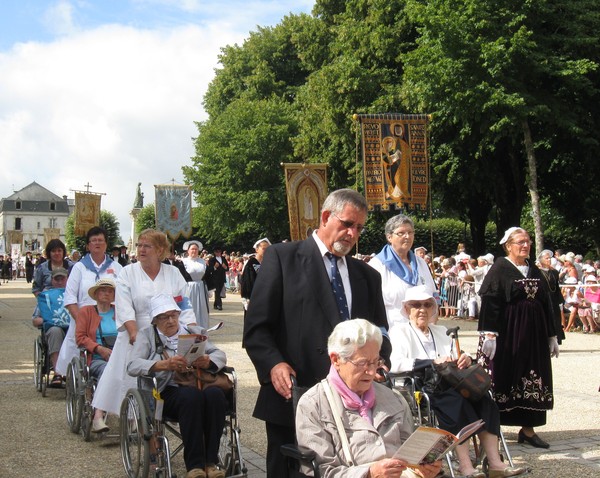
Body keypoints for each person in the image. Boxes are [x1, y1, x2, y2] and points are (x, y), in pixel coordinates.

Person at [243, 188, 390, 478]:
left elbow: (379, 334)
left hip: (354, 405)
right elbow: (257, 327)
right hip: (295, 394)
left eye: (358, 227)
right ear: (325, 216)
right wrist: (273, 363)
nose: (352, 233)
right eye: (347, 224)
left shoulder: (367, 276)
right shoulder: (282, 258)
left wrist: (381, 361)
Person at [390, 286, 527, 478]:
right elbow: (394, 364)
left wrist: (465, 358)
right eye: (416, 305)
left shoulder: (440, 330)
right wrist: (430, 362)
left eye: (427, 305)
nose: (422, 309)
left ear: (433, 309)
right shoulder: (399, 332)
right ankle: (465, 465)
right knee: (457, 403)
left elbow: (457, 355)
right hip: (424, 385)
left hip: (452, 381)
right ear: (406, 309)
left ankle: (495, 463)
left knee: (485, 400)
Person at [297, 319, 442, 478]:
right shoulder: (313, 405)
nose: (372, 372)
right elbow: (322, 472)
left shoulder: (394, 398)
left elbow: (411, 453)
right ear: (336, 360)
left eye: (375, 362)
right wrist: (369, 473)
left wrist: (424, 468)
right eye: (363, 363)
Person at [92, 229, 197, 416]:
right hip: (137, 330)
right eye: (139, 245)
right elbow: (124, 306)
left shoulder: (173, 273)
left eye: (147, 246)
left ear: (160, 250)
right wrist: (134, 333)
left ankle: (157, 417)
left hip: (169, 331)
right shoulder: (127, 272)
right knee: (127, 375)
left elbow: (184, 305)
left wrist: (191, 333)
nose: (141, 249)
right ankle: (124, 418)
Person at [128, 294, 227, 478]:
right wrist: (163, 365)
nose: (171, 320)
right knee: (191, 398)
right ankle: (195, 466)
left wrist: (208, 361)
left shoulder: (193, 331)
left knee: (216, 395)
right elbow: (132, 365)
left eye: (174, 315)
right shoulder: (147, 335)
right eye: (164, 317)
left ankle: (210, 463)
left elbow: (219, 354)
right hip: (166, 390)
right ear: (155, 320)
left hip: (198, 382)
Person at [478, 227, 556, 449]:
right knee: (504, 375)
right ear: (508, 245)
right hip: (508, 334)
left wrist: (551, 334)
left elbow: (545, 303)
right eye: (520, 241)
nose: (526, 245)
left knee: (533, 374)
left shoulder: (534, 269)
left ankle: (528, 430)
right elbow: (491, 302)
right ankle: (494, 430)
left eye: (528, 241)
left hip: (534, 337)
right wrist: (489, 334)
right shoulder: (500, 269)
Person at [55, 226, 122, 376]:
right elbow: (70, 297)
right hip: (83, 319)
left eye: (100, 240)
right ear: (88, 245)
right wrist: (82, 321)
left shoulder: (117, 267)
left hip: (110, 320)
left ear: (106, 244)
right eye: (93, 240)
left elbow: (123, 295)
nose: (97, 243)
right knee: (82, 351)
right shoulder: (79, 268)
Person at [369, 214, 438, 328]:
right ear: (389, 237)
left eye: (410, 232)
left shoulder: (421, 263)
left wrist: (431, 325)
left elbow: (433, 296)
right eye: (401, 233)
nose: (407, 236)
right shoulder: (377, 265)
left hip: (422, 332)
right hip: (392, 331)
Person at [75, 278, 118, 433]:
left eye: (109, 290)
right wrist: (98, 348)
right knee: (108, 369)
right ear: (96, 294)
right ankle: (98, 415)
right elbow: (80, 337)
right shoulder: (86, 312)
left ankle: (133, 416)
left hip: (118, 356)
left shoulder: (119, 311)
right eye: (102, 290)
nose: (106, 293)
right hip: (96, 359)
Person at [32, 267, 71, 386]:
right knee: (55, 331)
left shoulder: (74, 295)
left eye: (62, 279)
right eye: (56, 279)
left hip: (71, 328)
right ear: (52, 280)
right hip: (53, 329)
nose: (59, 282)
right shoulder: (45, 296)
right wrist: (48, 318)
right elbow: (35, 320)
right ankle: (58, 372)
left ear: (67, 279)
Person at [537, 249, 566, 342]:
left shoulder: (554, 272)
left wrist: (560, 301)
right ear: (541, 259)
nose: (549, 260)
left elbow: (556, 287)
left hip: (553, 298)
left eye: (549, 258)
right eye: (546, 258)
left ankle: (557, 339)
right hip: (543, 298)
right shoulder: (537, 272)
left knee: (555, 318)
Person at [182, 240, 210, 329]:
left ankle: (202, 328)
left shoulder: (202, 262)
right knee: (190, 308)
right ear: (188, 251)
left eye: (196, 249)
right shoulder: (183, 262)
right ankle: (189, 328)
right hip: (189, 288)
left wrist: (210, 289)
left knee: (201, 309)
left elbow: (207, 275)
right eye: (192, 249)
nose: (194, 251)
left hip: (201, 288)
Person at [240, 237, 271, 315]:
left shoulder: (268, 263)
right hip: (253, 297)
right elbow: (246, 281)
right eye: (263, 248)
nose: (266, 251)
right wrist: (247, 297)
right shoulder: (251, 263)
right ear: (257, 249)